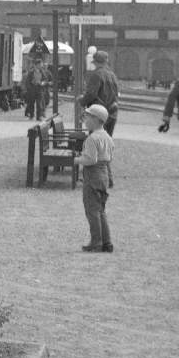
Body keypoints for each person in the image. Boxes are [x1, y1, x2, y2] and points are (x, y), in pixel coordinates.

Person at [76, 104, 114, 253]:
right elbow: (110, 158)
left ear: (96, 120)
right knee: (101, 210)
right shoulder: (107, 137)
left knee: (91, 210)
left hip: (92, 175)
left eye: (88, 117)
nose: (86, 120)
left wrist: (76, 160)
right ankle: (107, 242)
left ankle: (96, 242)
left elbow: (90, 159)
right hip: (103, 174)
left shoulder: (92, 138)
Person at [80, 50, 120, 136]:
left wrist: (81, 100)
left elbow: (91, 94)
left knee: (96, 142)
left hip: (99, 114)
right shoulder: (112, 75)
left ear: (96, 62)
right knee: (106, 142)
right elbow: (117, 94)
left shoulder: (97, 75)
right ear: (106, 62)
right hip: (112, 113)